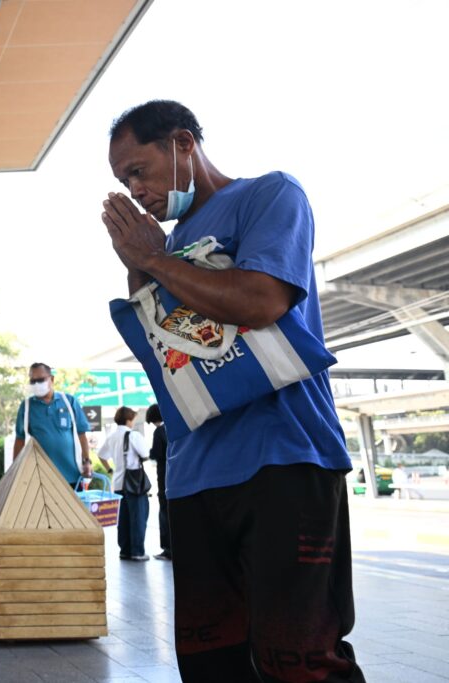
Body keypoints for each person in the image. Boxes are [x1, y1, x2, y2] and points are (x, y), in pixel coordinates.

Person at [101, 100, 364, 681]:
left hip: (285, 459)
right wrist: (140, 265)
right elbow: (165, 353)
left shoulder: (269, 195)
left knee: (298, 659)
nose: (135, 190)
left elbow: (260, 300)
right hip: (194, 476)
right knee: (211, 661)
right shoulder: (166, 245)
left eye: (139, 170)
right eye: (124, 182)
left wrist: (154, 259)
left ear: (182, 143)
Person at [13, 363, 92, 485]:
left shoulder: (69, 401)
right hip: (40, 479)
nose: (36, 384)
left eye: (41, 380)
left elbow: (81, 434)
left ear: (52, 379)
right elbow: (19, 440)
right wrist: (15, 471)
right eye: (33, 381)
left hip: (72, 476)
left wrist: (87, 461)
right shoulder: (27, 406)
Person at [98, 407, 150, 561]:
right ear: (128, 420)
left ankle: (125, 550)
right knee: (138, 517)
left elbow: (101, 455)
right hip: (134, 484)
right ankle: (137, 552)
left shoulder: (111, 437)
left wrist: (110, 470)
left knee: (123, 519)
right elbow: (145, 454)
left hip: (118, 483)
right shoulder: (133, 435)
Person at [146, 404, 171, 560]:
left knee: (164, 511)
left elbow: (156, 453)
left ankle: (168, 548)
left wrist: (148, 452)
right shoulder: (172, 427)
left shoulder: (159, 431)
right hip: (177, 474)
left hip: (164, 476)